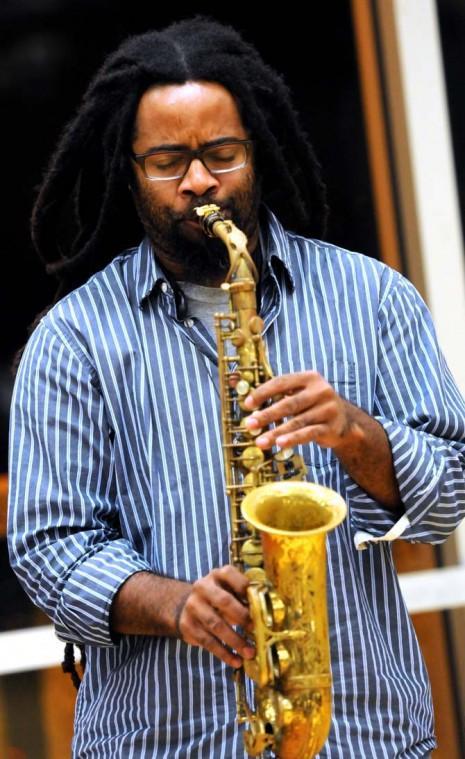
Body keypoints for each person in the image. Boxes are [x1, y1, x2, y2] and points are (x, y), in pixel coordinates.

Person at [7, 16, 465, 759]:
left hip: (362, 735)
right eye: (167, 162)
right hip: (166, 740)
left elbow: (451, 492)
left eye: (221, 154)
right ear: (128, 169)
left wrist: (356, 432)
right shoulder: (73, 338)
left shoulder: (372, 297)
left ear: (258, 152)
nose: (197, 182)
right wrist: (175, 602)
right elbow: (47, 547)